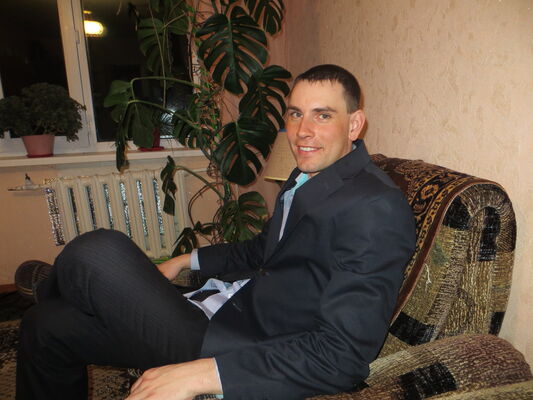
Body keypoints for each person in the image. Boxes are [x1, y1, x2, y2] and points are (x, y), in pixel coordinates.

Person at [16, 64, 416, 400]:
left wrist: (204, 374)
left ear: (355, 124)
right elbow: (262, 251)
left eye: (322, 115)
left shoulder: (374, 207)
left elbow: (342, 356)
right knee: (44, 326)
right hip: (214, 307)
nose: (302, 131)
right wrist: (183, 260)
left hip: (233, 343)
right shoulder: (307, 177)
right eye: (295, 114)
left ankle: (54, 285)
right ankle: (60, 293)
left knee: (98, 249)